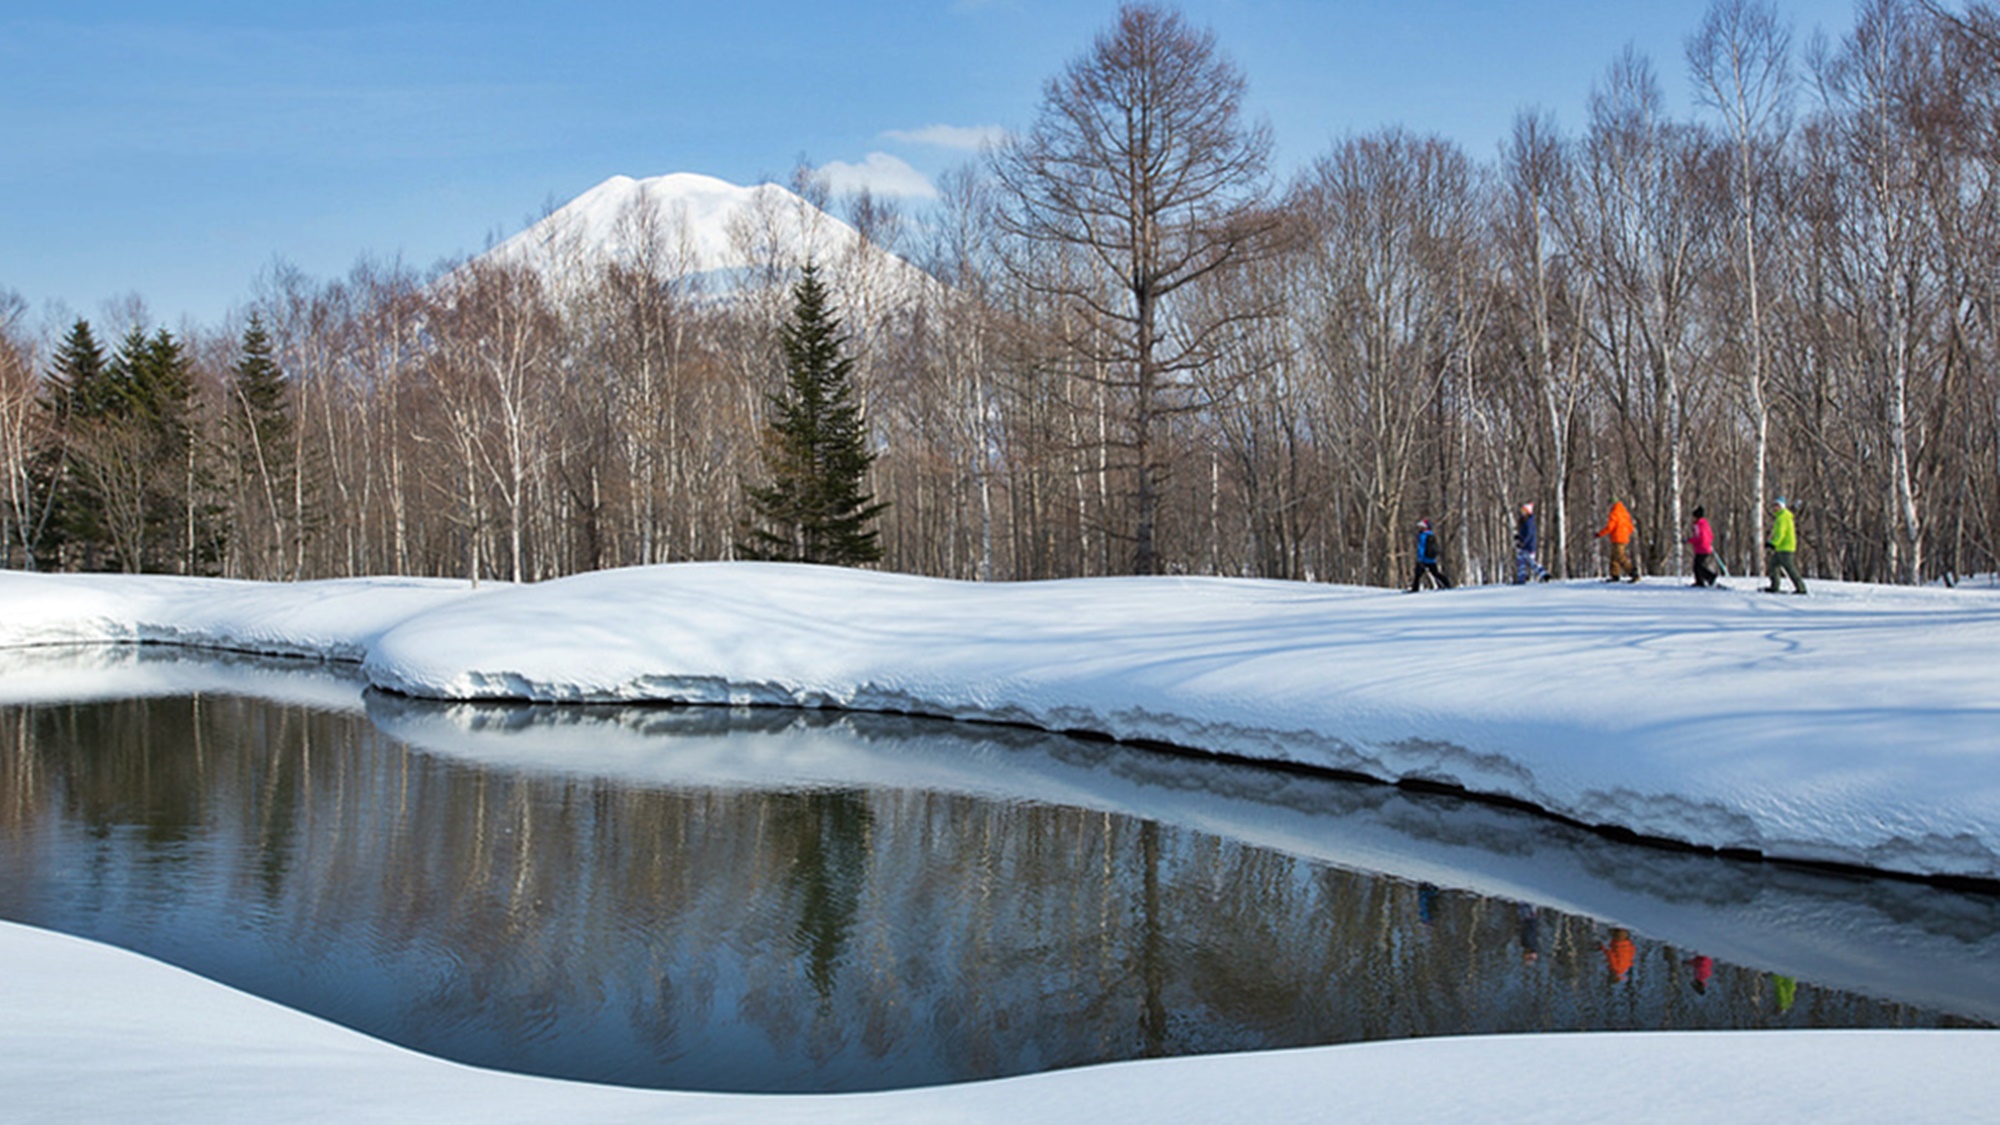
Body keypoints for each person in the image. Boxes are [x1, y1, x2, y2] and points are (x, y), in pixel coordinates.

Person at [1766, 497, 1807, 595]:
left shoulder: (1783, 517)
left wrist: (1773, 543)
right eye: (1774, 505)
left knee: (1790, 569)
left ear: (1782, 507)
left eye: (1777, 506)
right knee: (1772, 566)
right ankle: (1774, 586)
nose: (1775, 508)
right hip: (1781, 548)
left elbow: (1781, 533)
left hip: (1786, 548)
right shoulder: (1781, 517)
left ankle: (1801, 588)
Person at [1594, 498, 1638, 583]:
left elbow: (1610, 527)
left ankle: (1633, 573)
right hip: (1624, 537)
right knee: (1614, 557)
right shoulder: (1624, 513)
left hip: (1617, 537)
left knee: (1620, 557)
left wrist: (1599, 534)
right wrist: (1625, 533)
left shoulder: (1614, 513)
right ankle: (1614, 575)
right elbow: (1631, 527)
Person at [1410, 519, 1451, 591]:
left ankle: (1415, 589)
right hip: (1431, 559)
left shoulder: (1422, 535)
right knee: (1435, 573)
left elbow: (1421, 547)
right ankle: (1446, 583)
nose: (1420, 528)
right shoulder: (1431, 534)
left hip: (1423, 559)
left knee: (1418, 574)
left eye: (1421, 526)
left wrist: (1420, 557)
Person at [1514, 502, 1550, 584]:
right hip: (1524, 546)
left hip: (1528, 546)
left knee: (1530, 562)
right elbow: (1523, 533)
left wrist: (1522, 542)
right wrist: (1518, 537)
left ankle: (1544, 574)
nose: (1522, 513)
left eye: (1524, 511)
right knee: (1521, 561)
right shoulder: (1524, 521)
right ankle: (1521, 579)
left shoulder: (1529, 522)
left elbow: (1529, 534)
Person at [1686, 506, 1719, 588]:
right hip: (1706, 547)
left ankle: (1710, 577)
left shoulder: (1698, 525)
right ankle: (1699, 581)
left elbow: (1699, 538)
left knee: (1698, 566)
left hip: (1702, 548)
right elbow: (1711, 536)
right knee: (1697, 566)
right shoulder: (1705, 524)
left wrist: (1689, 540)